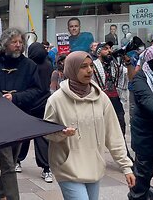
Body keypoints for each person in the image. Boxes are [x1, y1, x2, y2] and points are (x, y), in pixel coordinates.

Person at [44, 51, 135, 199]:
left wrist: (126, 167)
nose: (89, 70)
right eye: (83, 66)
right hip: (68, 168)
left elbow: (114, 135)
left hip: (93, 166)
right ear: (72, 69)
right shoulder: (56, 100)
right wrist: (62, 133)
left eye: (91, 65)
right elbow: (47, 132)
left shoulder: (101, 98)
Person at [0, 28, 43, 200]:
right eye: (14, 42)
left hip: (20, 118)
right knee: (8, 164)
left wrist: (15, 97)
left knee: (12, 161)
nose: (18, 45)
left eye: (20, 42)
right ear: (5, 44)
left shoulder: (30, 65)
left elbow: (38, 90)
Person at [16, 42, 54, 183]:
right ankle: (46, 168)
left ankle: (18, 161)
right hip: (44, 104)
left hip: (28, 103)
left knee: (24, 135)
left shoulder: (26, 65)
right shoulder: (48, 64)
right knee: (42, 137)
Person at [128, 45, 153, 200]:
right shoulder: (141, 78)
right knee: (142, 178)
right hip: (146, 136)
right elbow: (148, 100)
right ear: (152, 62)